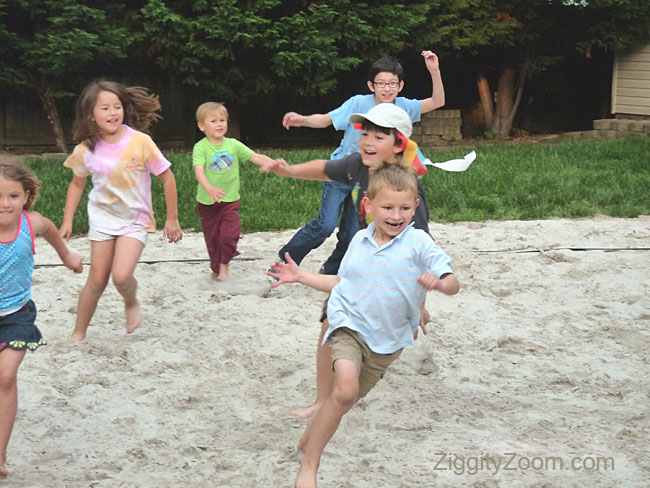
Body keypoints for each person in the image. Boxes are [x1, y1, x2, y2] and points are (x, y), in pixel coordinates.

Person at [267, 162, 459, 488]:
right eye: (387, 207)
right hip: (348, 327)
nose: (395, 215)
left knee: (341, 403)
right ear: (368, 206)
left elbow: (453, 282)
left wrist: (440, 285)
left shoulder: (419, 243)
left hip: (388, 345)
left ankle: (308, 441)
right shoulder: (359, 240)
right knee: (344, 389)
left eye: (403, 208)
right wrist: (300, 276)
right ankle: (309, 467)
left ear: (414, 207)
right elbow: (343, 282)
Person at [269, 103, 431, 419]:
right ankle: (321, 400)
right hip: (359, 266)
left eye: (378, 137)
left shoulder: (406, 189)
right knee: (331, 321)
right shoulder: (358, 164)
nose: (367, 142)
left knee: (374, 338)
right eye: (364, 133)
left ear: (398, 144)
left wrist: (420, 304)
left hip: (393, 277)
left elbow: (422, 250)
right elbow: (325, 169)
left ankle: (342, 393)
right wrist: (289, 170)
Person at [279, 50, 444, 275]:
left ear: (400, 86)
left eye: (392, 84)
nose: (386, 88)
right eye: (381, 83)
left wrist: (433, 71)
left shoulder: (404, 107)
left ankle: (331, 272)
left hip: (370, 178)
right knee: (325, 225)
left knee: (351, 233)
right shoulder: (358, 103)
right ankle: (287, 259)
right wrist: (303, 120)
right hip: (343, 170)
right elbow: (327, 120)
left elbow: (438, 101)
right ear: (371, 85)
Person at [59, 80, 183, 343]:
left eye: (117, 106)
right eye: (105, 108)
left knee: (122, 275)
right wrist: (68, 219)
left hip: (134, 221)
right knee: (97, 280)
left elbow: (168, 178)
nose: (113, 112)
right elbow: (77, 183)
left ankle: (130, 301)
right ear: (91, 115)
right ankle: (79, 331)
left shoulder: (140, 141)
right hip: (102, 221)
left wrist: (172, 218)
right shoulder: (86, 150)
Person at [0, 157, 83, 479]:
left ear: (26, 195)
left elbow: (51, 231)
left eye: (13, 196)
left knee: (6, 376)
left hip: (18, 313)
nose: (5, 204)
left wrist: (68, 257)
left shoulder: (31, 223)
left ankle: (1, 455)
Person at [192, 102, 276, 281]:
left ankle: (224, 267)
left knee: (229, 236)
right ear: (202, 126)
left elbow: (255, 156)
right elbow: (199, 171)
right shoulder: (201, 147)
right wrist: (210, 188)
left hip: (230, 201)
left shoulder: (233, 145)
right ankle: (216, 268)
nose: (219, 124)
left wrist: (271, 163)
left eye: (222, 120)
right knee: (213, 241)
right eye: (213, 121)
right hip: (208, 203)